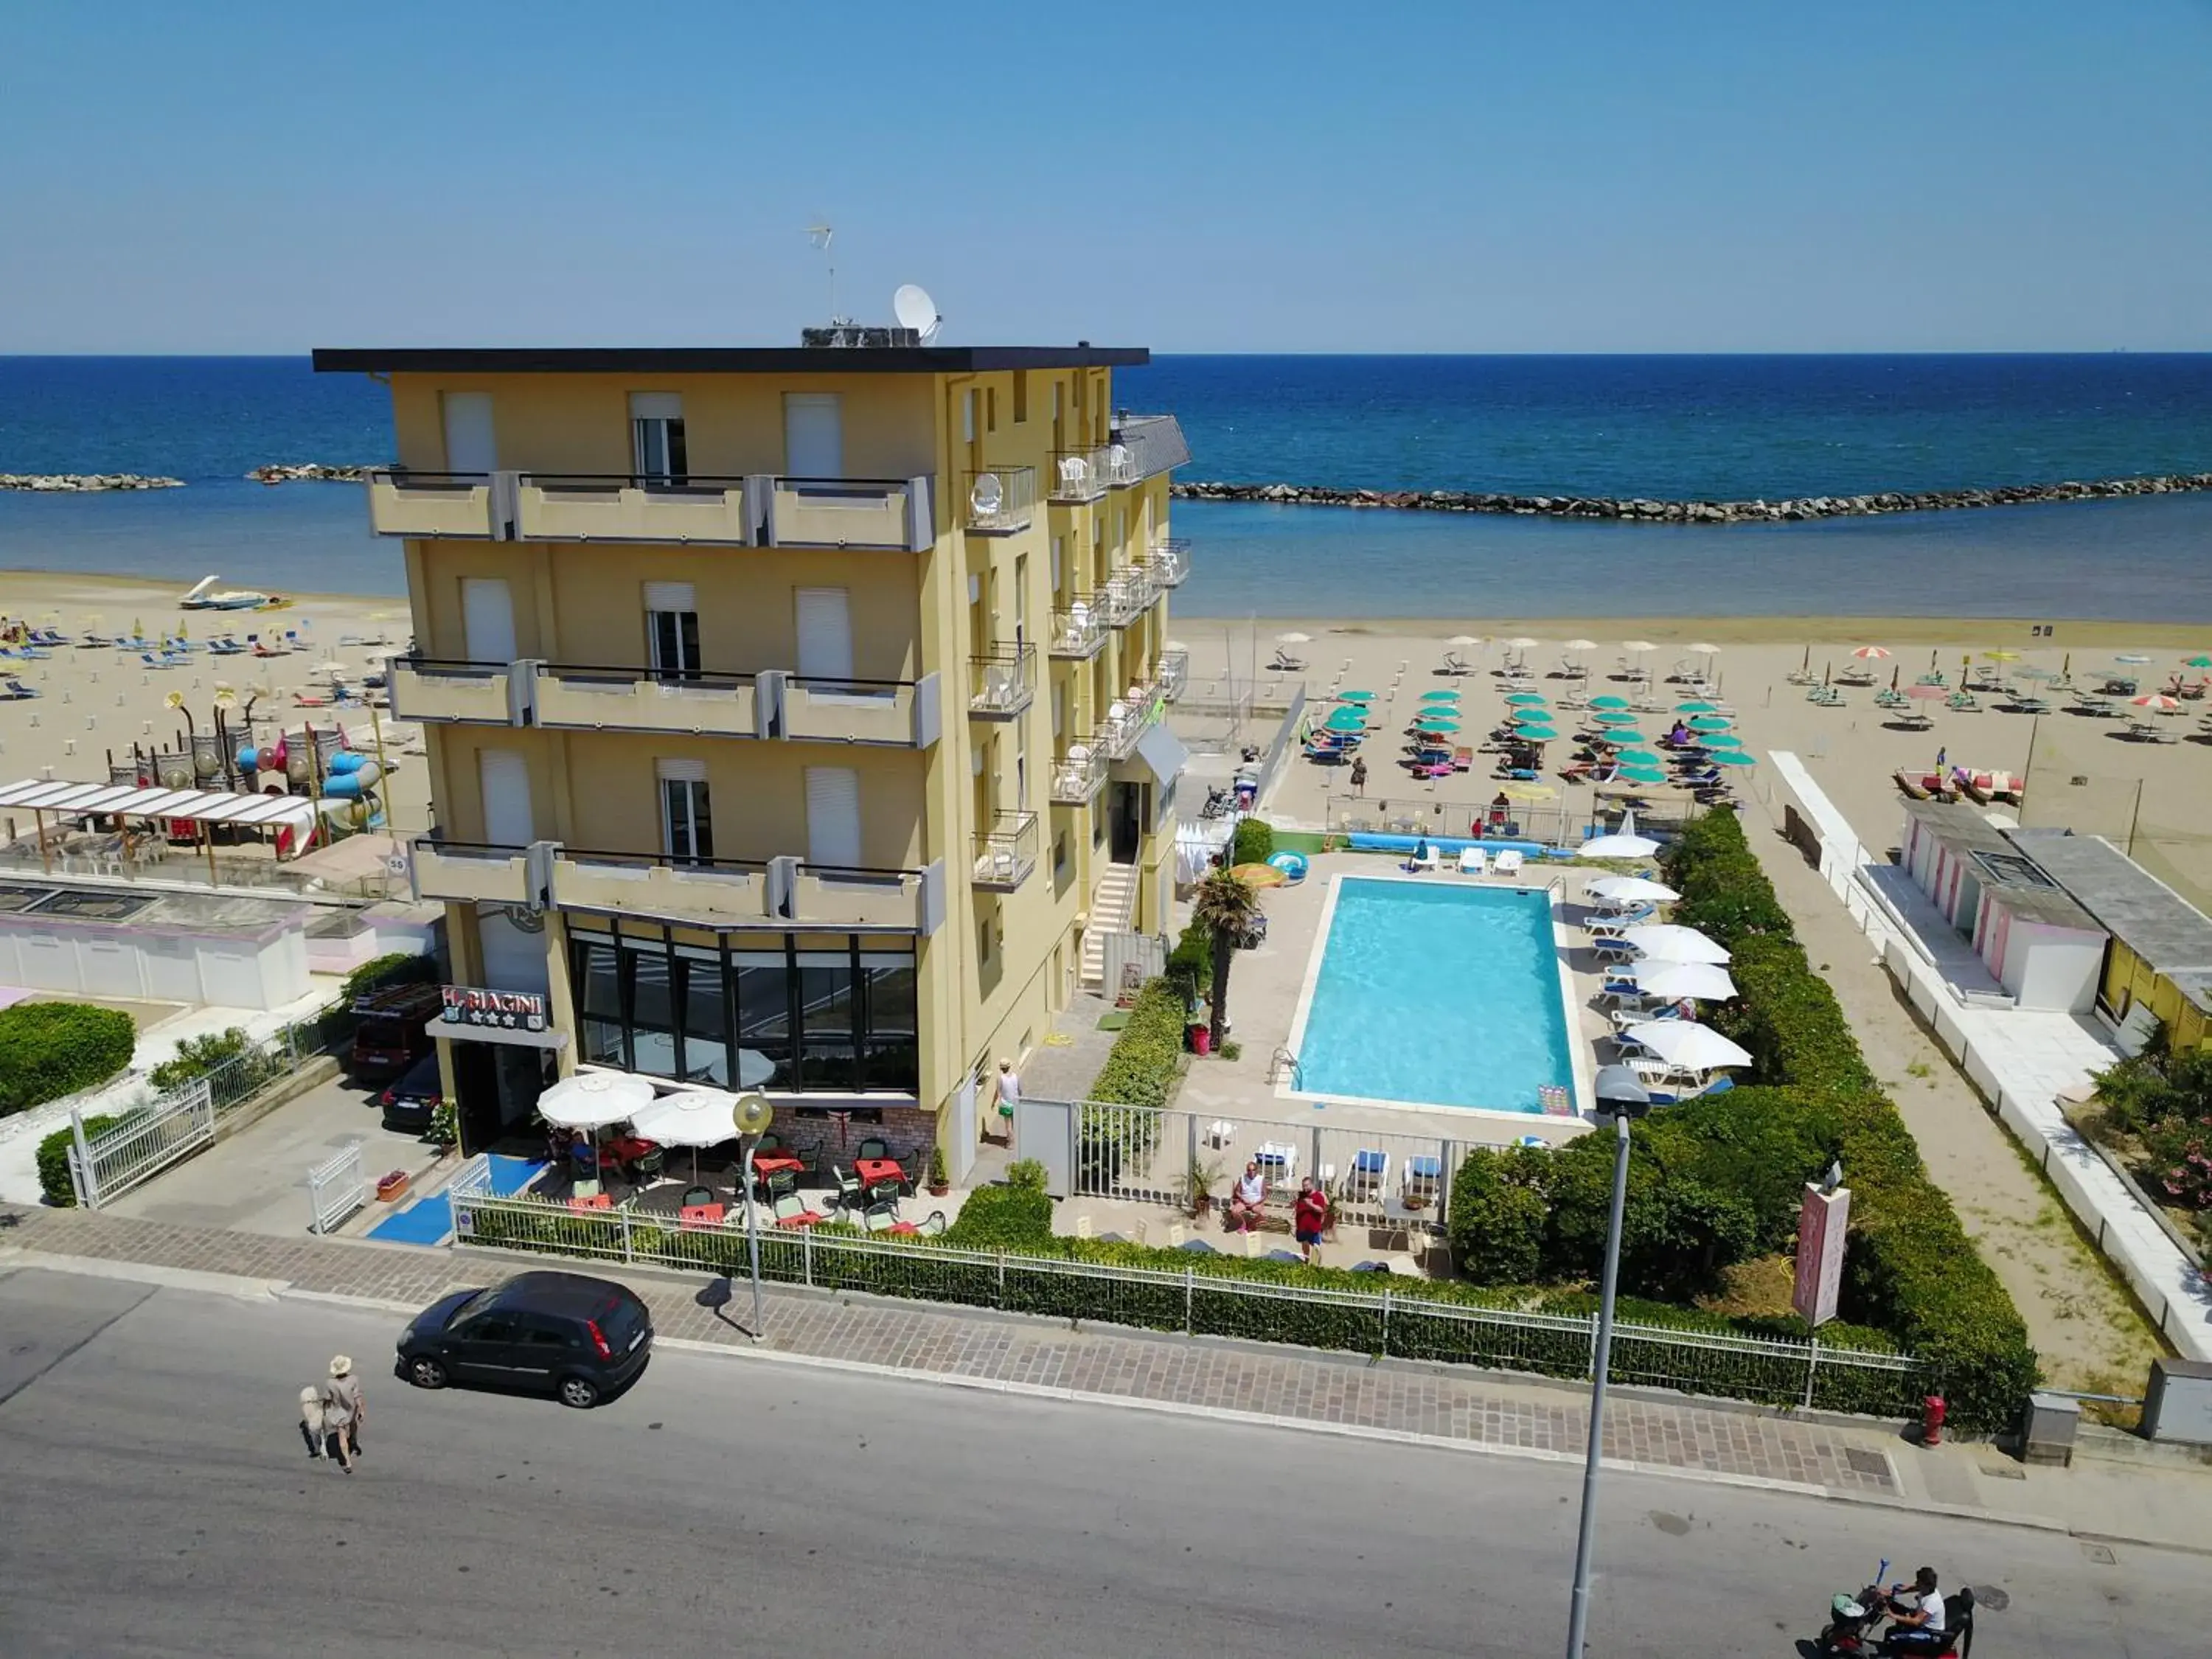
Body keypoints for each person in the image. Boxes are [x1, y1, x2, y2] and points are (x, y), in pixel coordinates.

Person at [1882, 1566, 1947, 1652]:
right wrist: (1887, 1592)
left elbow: (1916, 1621)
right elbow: (1910, 1589)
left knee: (1894, 1637)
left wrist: (1892, 1615)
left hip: (1928, 1632)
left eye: (1919, 1582)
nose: (1916, 1583)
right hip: (1920, 1621)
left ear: (1926, 1585)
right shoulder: (1927, 1589)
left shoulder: (1932, 1601)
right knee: (1892, 1625)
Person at [323, 1354, 364, 1475]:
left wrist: (324, 1407)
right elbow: (357, 1396)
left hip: (338, 1412)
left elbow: (327, 1398)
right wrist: (361, 1409)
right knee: (353, 1425)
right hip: (351, 1409)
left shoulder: (330, 1383)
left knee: (341, 1436)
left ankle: (347, 1462)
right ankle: (354, 1441)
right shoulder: (354, 1379)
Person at [1292, 1176, 1329, 1264]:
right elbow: (1298, 1206)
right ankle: (1307, 1260)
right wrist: (1293, 1205)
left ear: (1312, 1185)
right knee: (1304, 1244)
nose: (1305, 1188)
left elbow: (1321, 1210)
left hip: (1313, 1227)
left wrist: (1311, 1205)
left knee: (1316, 1247)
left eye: (1307, 1186)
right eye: (1304, 1186)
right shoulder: (1302, 1195)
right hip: (1302, 1227)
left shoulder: (1318, 1196)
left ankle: (1317, 1263)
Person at [1226, 1160, 1267, 1233]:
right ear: (1247, 1170)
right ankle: (1243, 1224)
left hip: (1256, 1203)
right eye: (1249, 1170)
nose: (1251, 1172)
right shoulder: (1243, 1178)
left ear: (1256, 1170)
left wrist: (1255, 1203)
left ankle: (1251, 1224)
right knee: (1234, 1211)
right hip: (1244, 1202)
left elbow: (1264, 1196)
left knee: (1263, 1215)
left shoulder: (1261, 1179)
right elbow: (1237, 1191)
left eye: (1253, 1170)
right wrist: (1243, 1200)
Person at [993, 1057, 1020, 1141]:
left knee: (1008, 1124)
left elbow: (998, 1093)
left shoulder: (1000, 1079)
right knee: (1014, 1122)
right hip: (1015, 1102)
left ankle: (1010, 1140)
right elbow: (1019, 1090)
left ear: (1001, 1068)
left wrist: (993, 1102)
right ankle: (1015, 1138)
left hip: (1006, 1104)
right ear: (1009, 1067)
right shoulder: (1015, 1076)